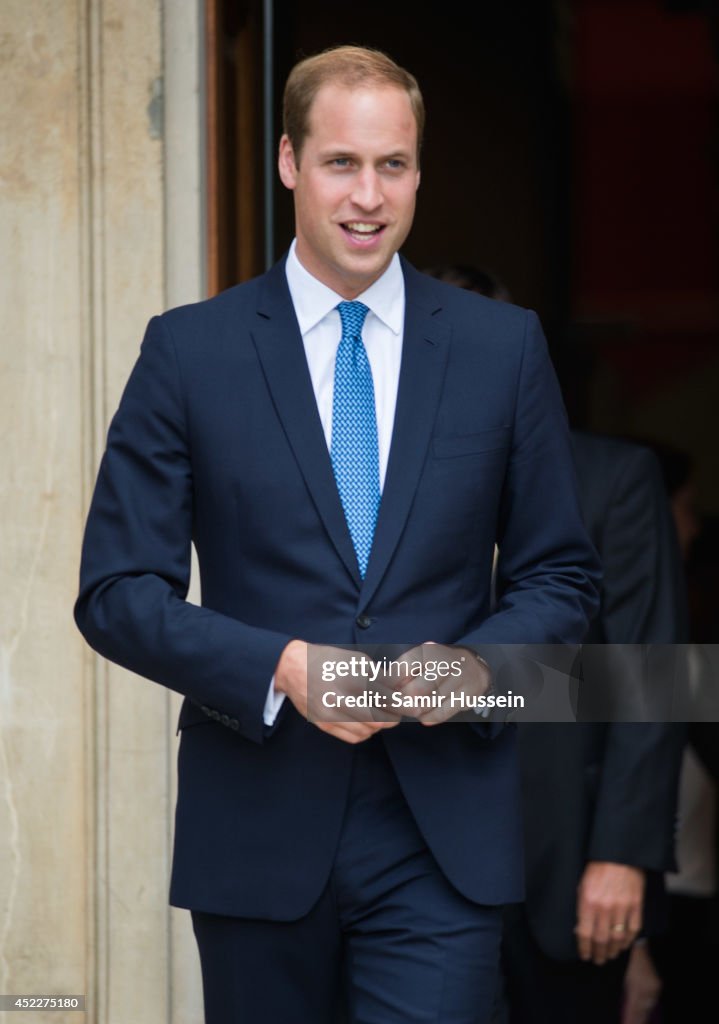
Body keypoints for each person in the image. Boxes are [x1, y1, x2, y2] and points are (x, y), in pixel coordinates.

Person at [74, 47, 600, 1024]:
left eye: (391, 164)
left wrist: (472, 671)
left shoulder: (501, 348)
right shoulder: (188, 351)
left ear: (417, 171)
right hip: (258, 831)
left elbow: (560, 578)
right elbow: (116, 593)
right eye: (340, 163)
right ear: (287, 161)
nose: (368, 195)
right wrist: (278, 664)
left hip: (441, 833)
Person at [425, 266, 686, 1024]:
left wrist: (623, 854)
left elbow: (652, 677)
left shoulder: (613, 478)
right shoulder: (363, 484)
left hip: (568, 868)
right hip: (411, 863)